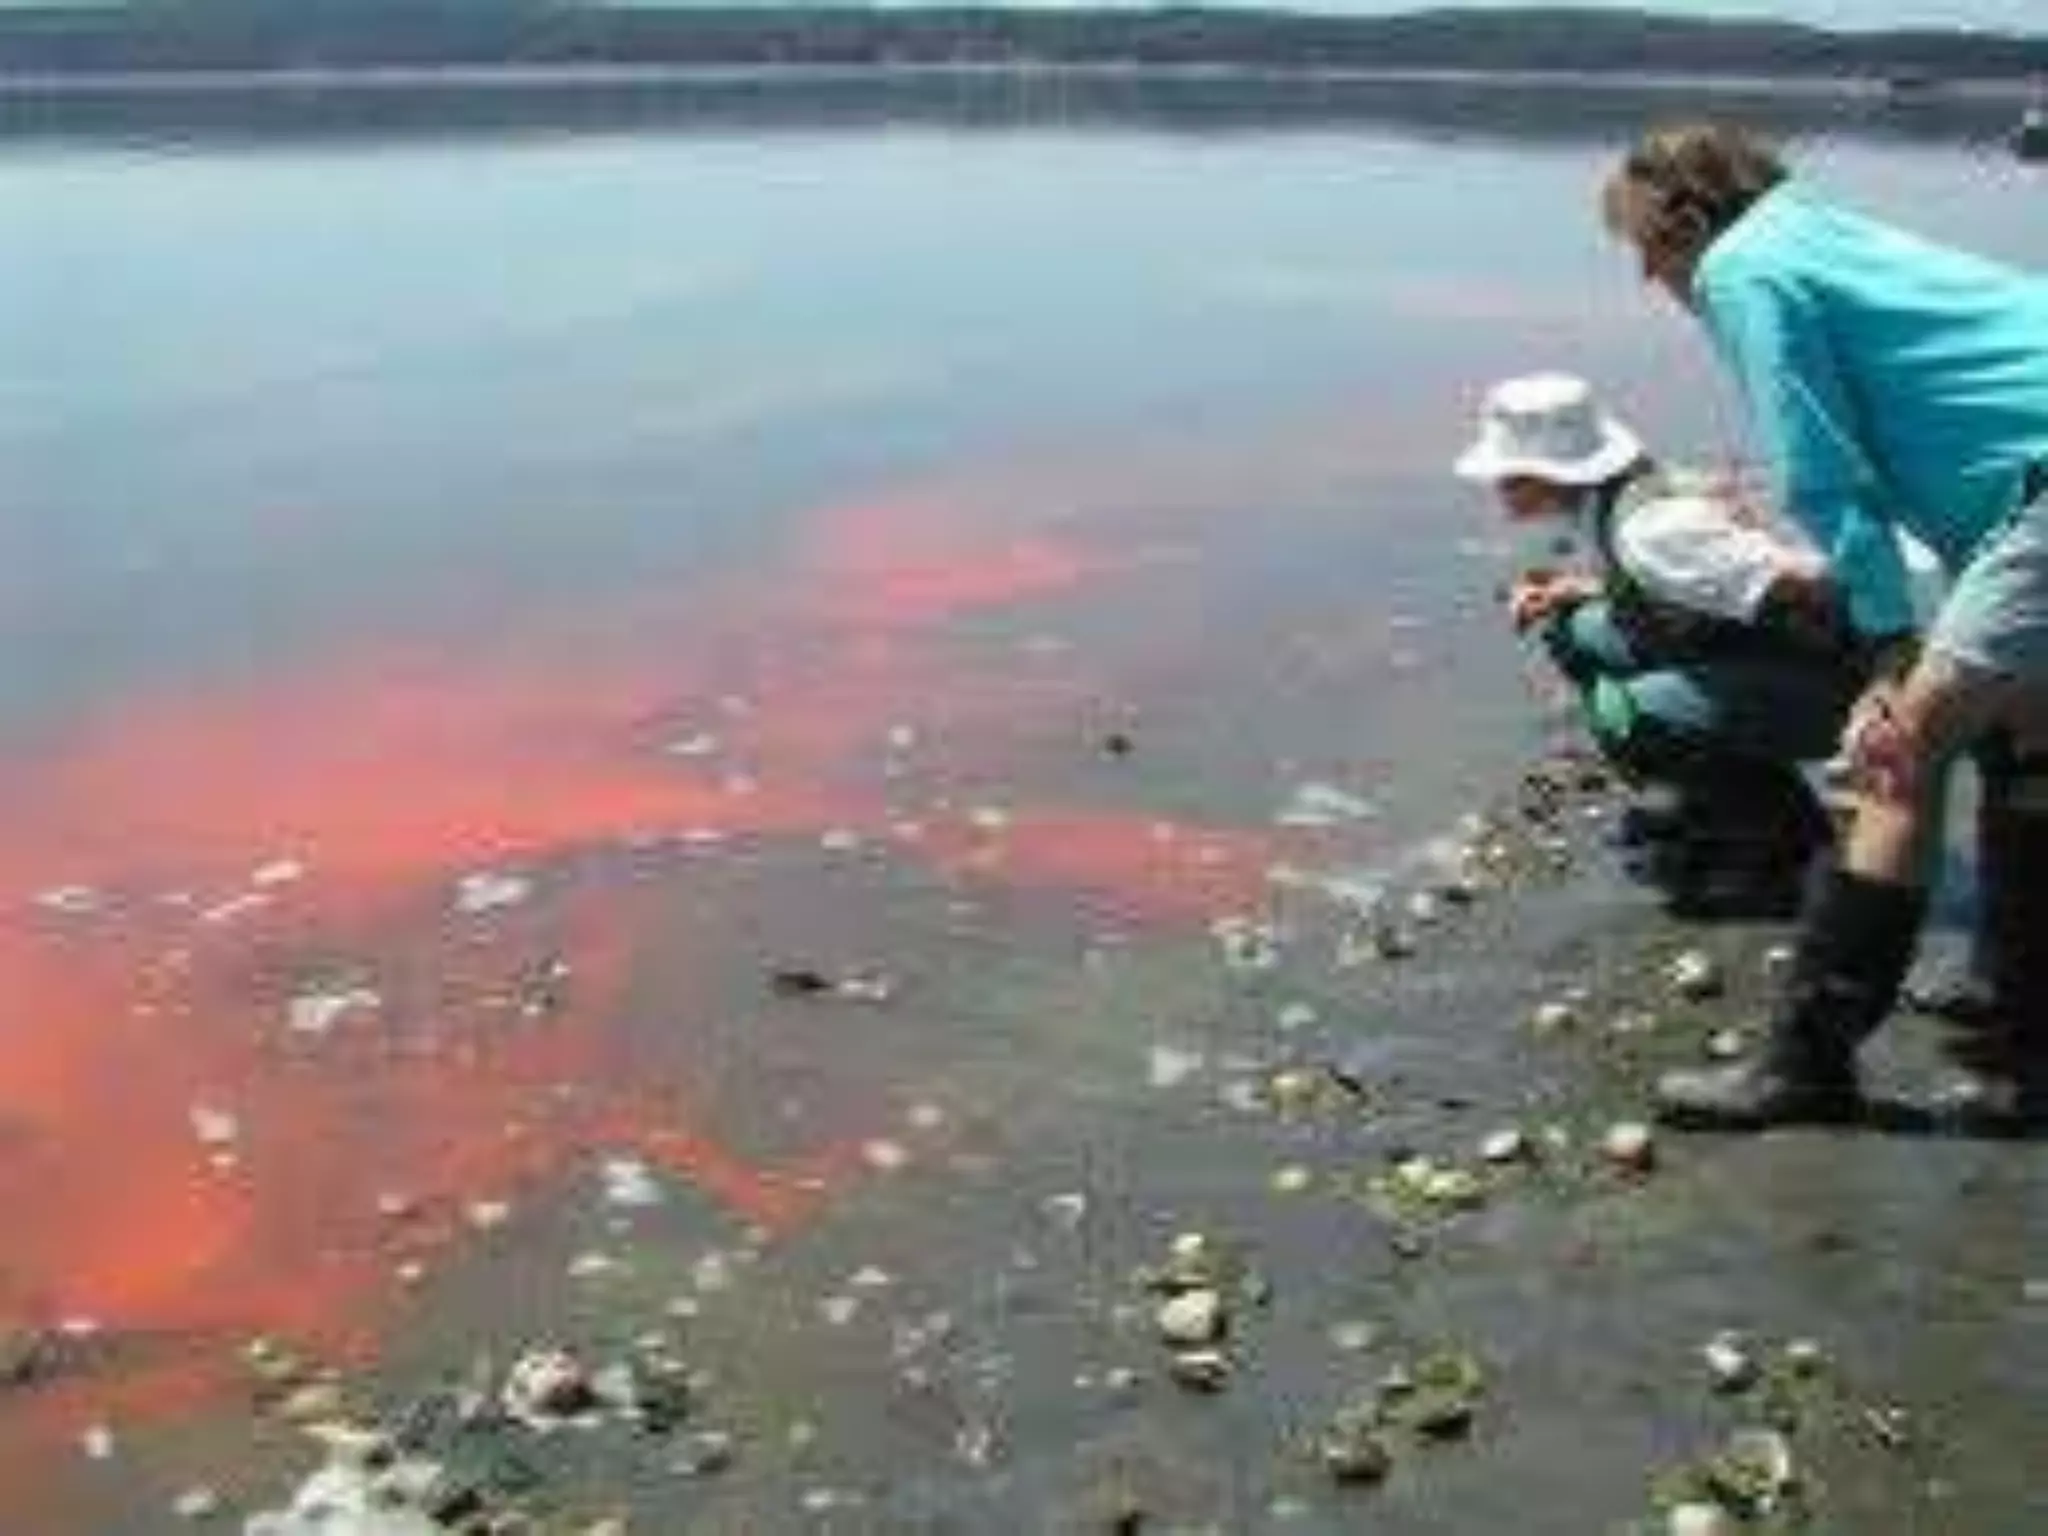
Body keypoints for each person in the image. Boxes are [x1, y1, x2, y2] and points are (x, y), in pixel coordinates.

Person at [1600, 122, 2048, 1128]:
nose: (1645, 275)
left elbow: (1819, 474)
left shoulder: (1742, 269)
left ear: (1684, 215)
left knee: (1898, 756)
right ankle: (2019, 1011)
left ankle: (1804, 1070)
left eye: (1643, 246)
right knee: (2025, 739)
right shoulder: (1812, 231)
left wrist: (1889, 650)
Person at [1454, 371, 1864, 913]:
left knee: (1630, 717)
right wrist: (1580, 589)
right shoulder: (1614, 500)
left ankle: (1783, 846)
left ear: (1546, 474)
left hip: (1834, 688)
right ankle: (1715, 800)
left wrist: (1895, 669)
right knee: (1571, 626)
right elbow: (1689, 581)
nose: (1499, 487)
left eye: (1508, 474)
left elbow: (1820, 581)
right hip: (1746, 651)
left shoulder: (1653, 531)